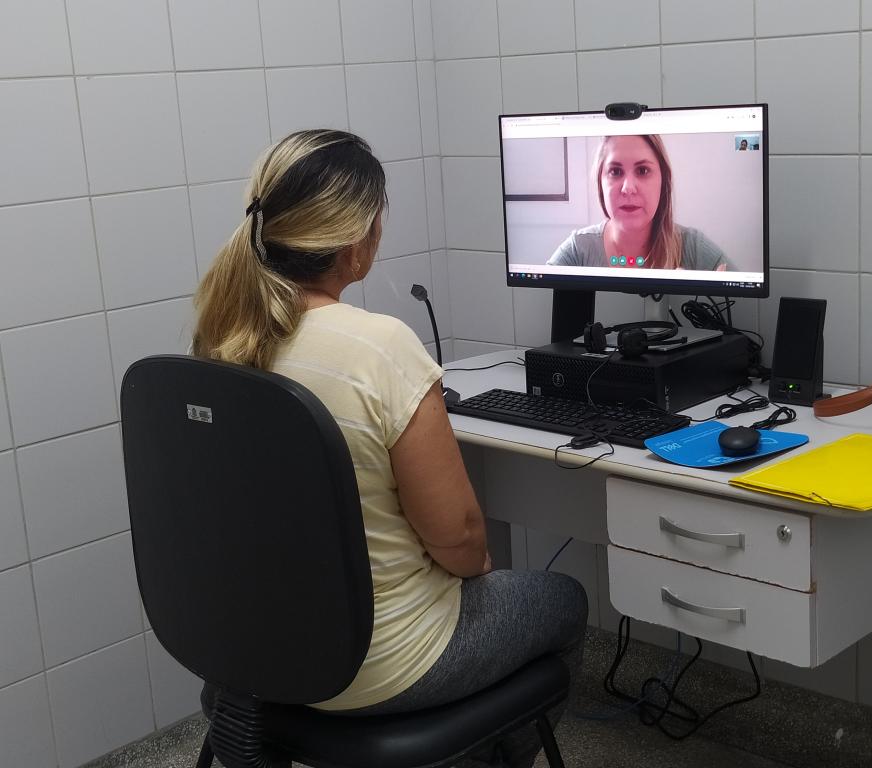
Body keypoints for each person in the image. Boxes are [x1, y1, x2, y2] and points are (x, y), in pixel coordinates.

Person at [191, 130, 587, 768]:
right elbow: (459, 541)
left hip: (255, 650)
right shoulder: (379, 347)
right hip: (379, 666)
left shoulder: (220, 336)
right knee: (564, 601)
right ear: (357, 242)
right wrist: (479, 572)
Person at [547, 134, 727, 271]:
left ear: (663, 181)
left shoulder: (694, 249)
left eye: (642, 170)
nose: (628, 188)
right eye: (615, 172)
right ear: (600, 182)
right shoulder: (578, 251)